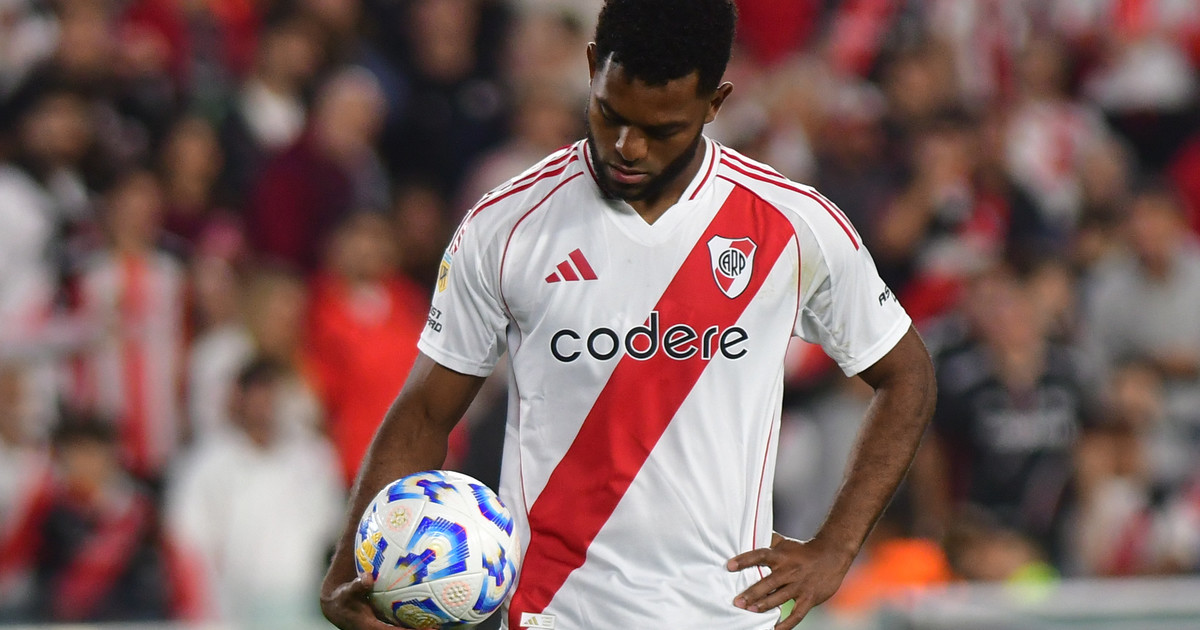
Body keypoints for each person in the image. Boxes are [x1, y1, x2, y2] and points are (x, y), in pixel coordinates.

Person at [320, 1, 936, 629]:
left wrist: (836, 548)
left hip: (722, 618)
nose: (626, 147)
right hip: (553, 615)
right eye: (610, 114)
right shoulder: (505, 226)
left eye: (660, 129)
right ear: (592, 68)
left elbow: (907, 374)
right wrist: (348, 572)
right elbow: (426, 411)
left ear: (715, 103)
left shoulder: (793, 225)